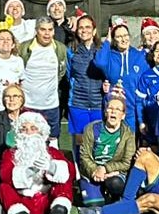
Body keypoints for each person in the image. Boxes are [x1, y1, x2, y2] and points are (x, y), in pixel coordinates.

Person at [0, 110, 74, 214]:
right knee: (3, 187)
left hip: (48, 205)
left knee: (63, 181)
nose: (28, 133)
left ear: (41, 132)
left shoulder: (52, 152)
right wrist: (28, 172)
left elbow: (70, 173)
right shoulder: (10, 154)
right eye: (24, 129)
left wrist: (51, 167)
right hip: (24, 203)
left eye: (33, 129)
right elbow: (5, 175)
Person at [76, 93, 135, 207]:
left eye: (117, 109)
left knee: (115, 184)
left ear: (122, 115)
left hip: (113, 174)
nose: (113, 112)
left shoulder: (128, 134)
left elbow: (127, 162)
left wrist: (106, 169)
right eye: (110, 108)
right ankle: (93, 190)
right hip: (93, 172)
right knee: (93, 204)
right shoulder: (91, 128)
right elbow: (84, 156)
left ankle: (114, 195)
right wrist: (94, 170)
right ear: (105, 112)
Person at [17, 19, 67, 137]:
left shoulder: (60, 48)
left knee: (52, 140)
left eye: (50, 30)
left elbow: (61, 72)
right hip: (28, 105)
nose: (46, 33)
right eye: (43, 29)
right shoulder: (24, 48)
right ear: (36, 31)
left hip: (51, 106)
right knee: (27, 139)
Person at [90, 22, 145, 116]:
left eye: (125, 35)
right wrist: (107, 41)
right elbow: (100, 62)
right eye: (119, 37)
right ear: (114, 40)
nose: (123, 39)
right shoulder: (110, 56)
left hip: (134, 108)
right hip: (114, 109)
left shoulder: (139, 55)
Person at [65, 14, 103, 149]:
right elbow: (69, 75)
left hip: (99, 104)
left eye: (88, 27)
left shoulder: (102, 50)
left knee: (98, 142)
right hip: (78, 104)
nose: (84, 30)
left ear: (94, 31)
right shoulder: (71, 50)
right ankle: (79, 170)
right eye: (81, 27)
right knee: (80, 142)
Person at [0, 83, 27, 170]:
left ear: (21, 99)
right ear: (4, 100)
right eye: (7, 96)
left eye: (15, 96)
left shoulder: (30, 118)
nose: (11, 99)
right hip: (4, 164)